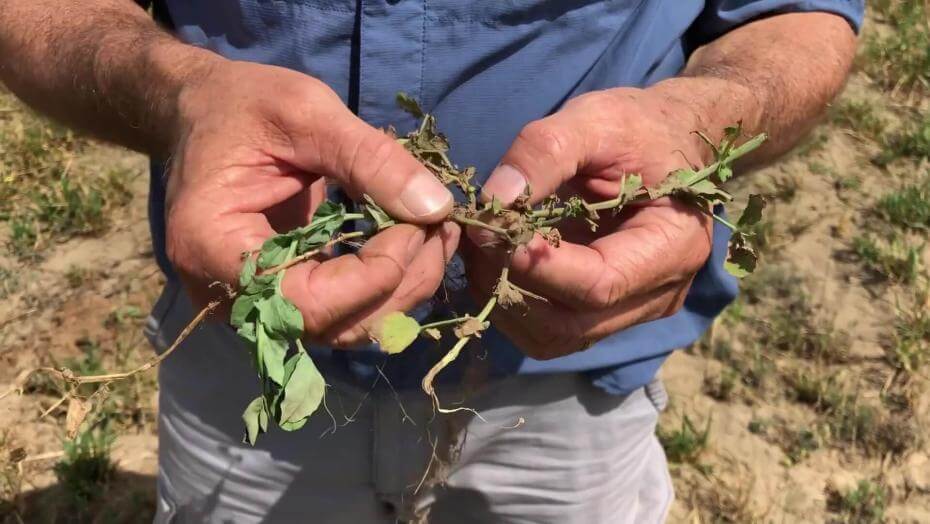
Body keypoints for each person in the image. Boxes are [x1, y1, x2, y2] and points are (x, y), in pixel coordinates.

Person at [0, 1, 863, 522]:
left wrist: (705, 118)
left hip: (564, 380)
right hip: (250, 350)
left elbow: (796, 13)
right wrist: (179, 96)